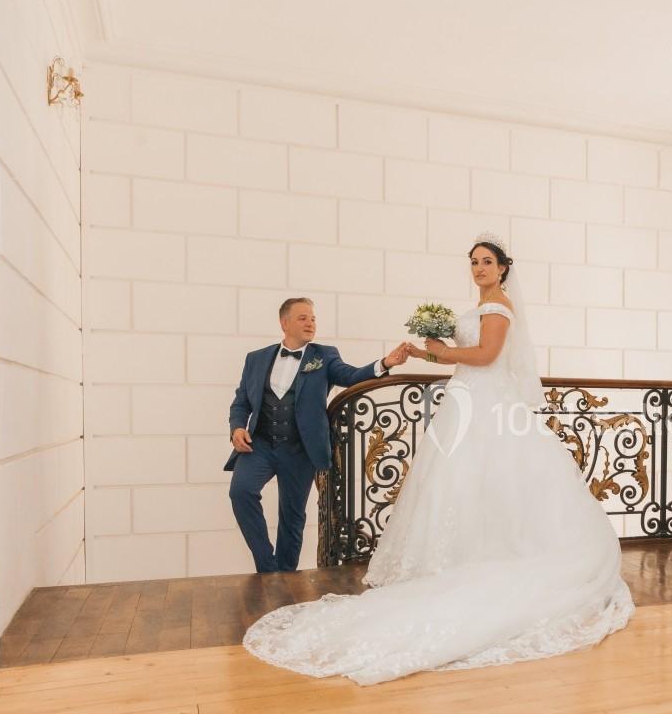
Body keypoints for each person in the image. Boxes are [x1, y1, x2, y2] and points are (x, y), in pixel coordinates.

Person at [243, 234, 634, 684]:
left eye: (487, 262)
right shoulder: (480, 307)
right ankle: (461, 555)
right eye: (474, 262)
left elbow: (485, 356)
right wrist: (422, 351)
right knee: (457, 482)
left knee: (486, 477)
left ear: (504, 268)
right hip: (466, 400)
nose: (480, 268)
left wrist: (443, 351)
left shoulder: (498, 307)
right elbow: (461, 359)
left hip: (487, 407)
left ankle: (488, 557)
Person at [225, 297, 411, 573]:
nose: (310, 322)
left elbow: (351, 375)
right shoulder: (256, 358)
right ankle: (267, 567)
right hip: (260, 445)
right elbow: (241, 402)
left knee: (292, 515)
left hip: (300, 449)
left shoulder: (323, 355)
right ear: (284, 323)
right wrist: (237, 427)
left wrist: (385, 363)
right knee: (241, 491)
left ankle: (285, 575)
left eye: (312, 318)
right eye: (302, 318)